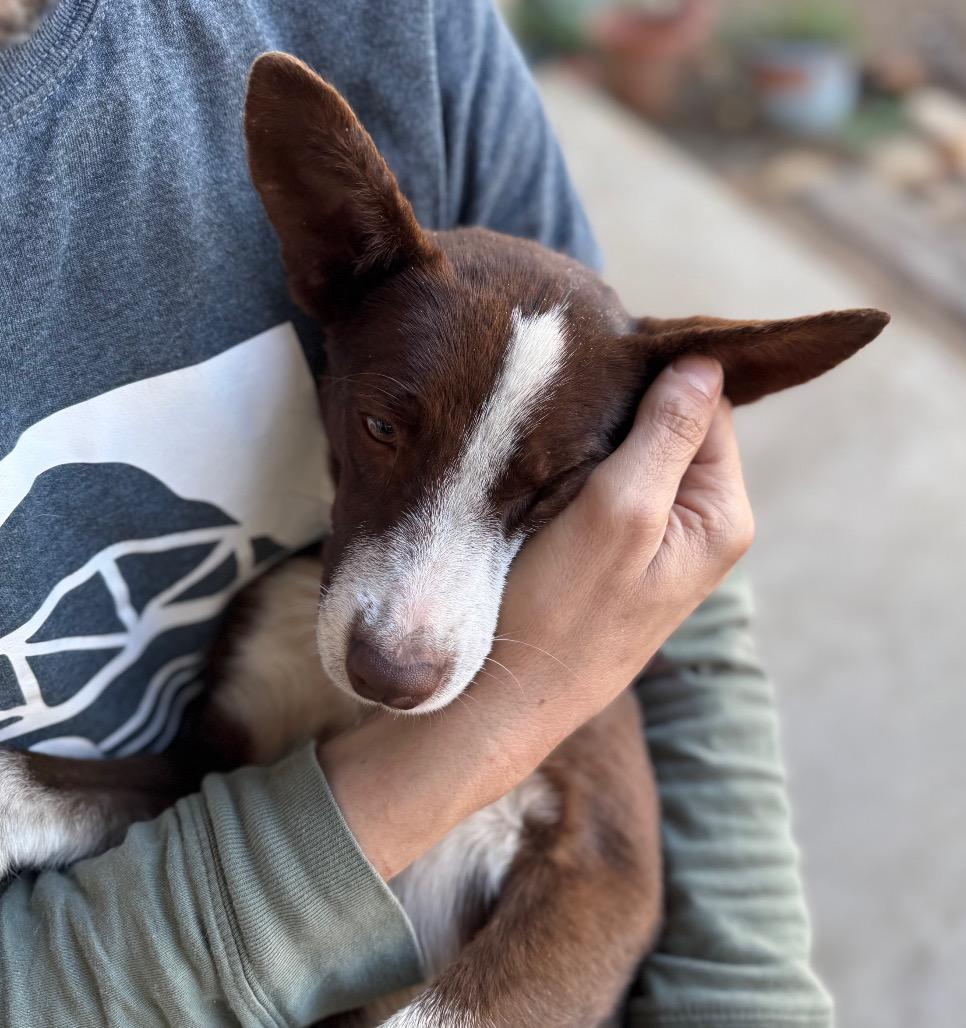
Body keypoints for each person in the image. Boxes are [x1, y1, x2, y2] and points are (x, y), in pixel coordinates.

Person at [0, 0, 833, 1025]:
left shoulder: (410, 29)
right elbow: (189, 794)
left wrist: (747, 998)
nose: (405, 634)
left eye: (538, 490)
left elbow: (615, 846)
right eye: (389, 432)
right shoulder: (281, 614)